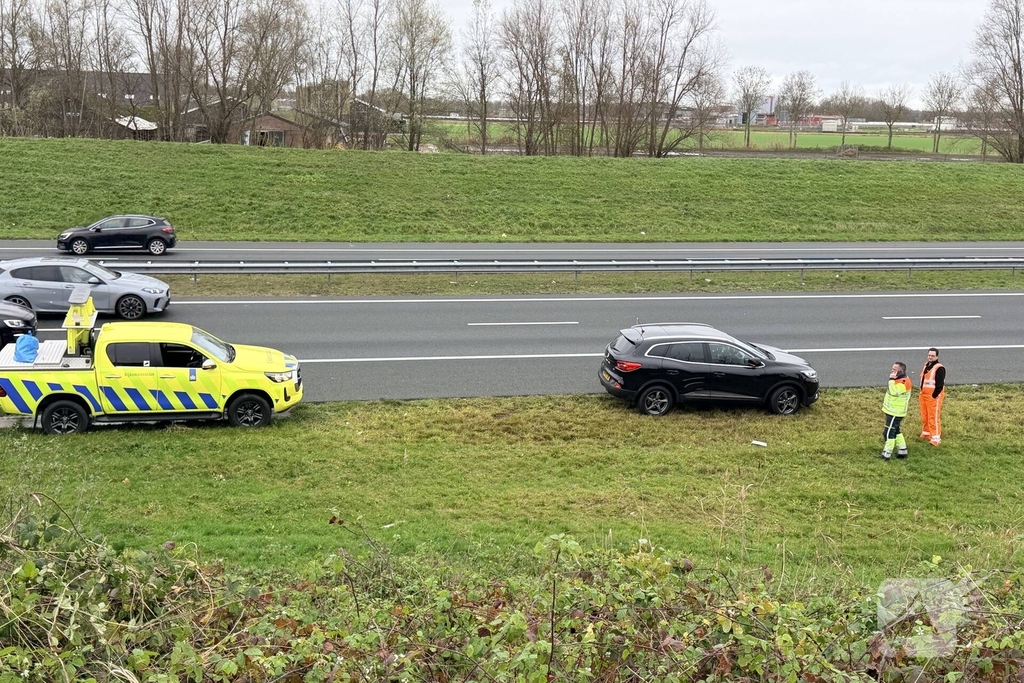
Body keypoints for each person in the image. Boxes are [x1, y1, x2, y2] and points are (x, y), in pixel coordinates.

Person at [881, 361, 912, 460]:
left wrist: (891, 380)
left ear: (900, 371)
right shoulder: (898, 379)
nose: (892, 371)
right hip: (892, 411)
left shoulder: (903, 382)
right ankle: (902, 451)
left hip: (896, 412)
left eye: (894, 370)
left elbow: (894, 392)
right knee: (896, 431)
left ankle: (887, 453)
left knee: (888, 432)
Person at [919, 348, 945, 446]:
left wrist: (934, 395)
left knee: (933, 417)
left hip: (933, 396)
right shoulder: (926, 365)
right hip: (924, 395)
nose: (930, 357)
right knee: (925, 415)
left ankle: (936, 438)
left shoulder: (939, 368)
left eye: (932, 356)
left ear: (937, 356)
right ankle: (926, 433)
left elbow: (940, 384)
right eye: (929, 355)